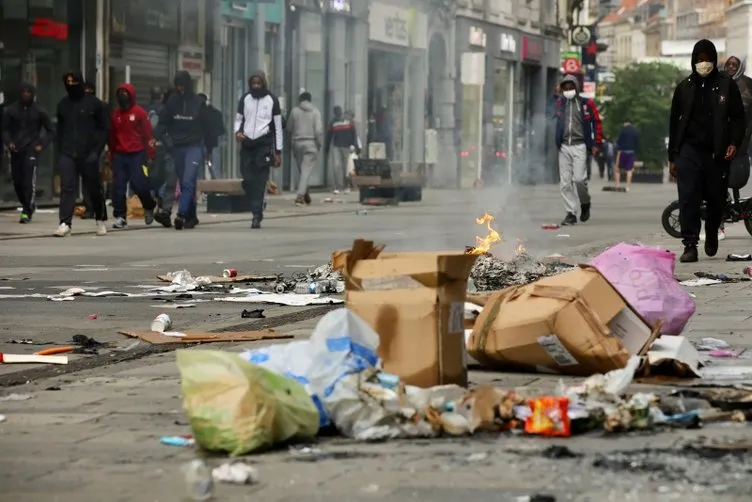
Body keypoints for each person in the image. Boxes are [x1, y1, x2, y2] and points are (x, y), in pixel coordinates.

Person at [668, 39, 746, 263]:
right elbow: (674, 123)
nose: (703, 64)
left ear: (714, 60)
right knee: (688, 198)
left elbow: (738, 118)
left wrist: (734, 142)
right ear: (693, 61)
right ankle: (690, 244)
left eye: (707, 60)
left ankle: (712, 231)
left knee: (716, 199)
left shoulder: (725, 85)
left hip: (717, 152)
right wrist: (672, 156)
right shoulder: (685, 87)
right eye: (699, 60)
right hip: (688, 150)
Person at [53, 72, 109, 237]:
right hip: (68, 152)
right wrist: (60, 151)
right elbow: (60, 130)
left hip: (89, 153)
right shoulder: (63, 105)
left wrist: (96, 151)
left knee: (93, 188)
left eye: (74, 81)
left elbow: (104, 129)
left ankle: (100, 218)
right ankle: (65, 222)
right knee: (67, 187)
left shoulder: (94, 104)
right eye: (67, 81)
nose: (71, 84)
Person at [154, 71, 208, 230]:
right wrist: (164, 140)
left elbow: (207, 126)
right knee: (184, 185)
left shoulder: (198, 102)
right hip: (176, 147)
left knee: (188, 180)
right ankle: (191, 216)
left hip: (194, 146)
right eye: (178, 86)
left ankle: (182, 214)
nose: (181, 89)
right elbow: (162, 124)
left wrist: (208, 147)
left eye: (183, 85)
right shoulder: (172, 102)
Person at [234, 70, 283, 229]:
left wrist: (278, 151)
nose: (256, 86)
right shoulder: (245, 99)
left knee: (260, 181)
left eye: (258, 83)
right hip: (247, 144)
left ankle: (256, 215)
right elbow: (239, 119)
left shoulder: (272, 100)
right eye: (253, 83)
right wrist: (238, 132)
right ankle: (257, 204)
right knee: (247, 179)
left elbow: (277, 127)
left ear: (263, 83)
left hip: (264, 144)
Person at [1, 82, 55, 223]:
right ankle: (27, 204)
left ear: (33, 94)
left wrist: (41, 145)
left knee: (27, 179)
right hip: (16, 149)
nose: (26, 94)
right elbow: (4, 129)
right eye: (23, 91)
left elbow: (51, 130)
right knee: (17, 181)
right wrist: (9, 142)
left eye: (28, 91)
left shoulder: (39, 111)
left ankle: (26, 210)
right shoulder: (10, 110)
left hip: (31, 149)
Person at [553, 74, 602, 226]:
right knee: (565, 184)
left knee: (579, 179)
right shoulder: (560, 103)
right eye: (565, 88)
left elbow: (597, 123)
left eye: (571, 87)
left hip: (580, 145)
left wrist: (596, 144)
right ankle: (570, 213)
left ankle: (585, 203)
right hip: (564, 147)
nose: (568, 90)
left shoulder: (587, 104)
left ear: (576, 88)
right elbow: (548, 111)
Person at [108, 83, 158, 229]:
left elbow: (148, 135)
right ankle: (120, 216)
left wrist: (151, 155)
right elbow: (112, 137)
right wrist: (111, 155)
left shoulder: (140, 113)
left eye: (125, 93)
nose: (122, 97)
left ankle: (149, 205)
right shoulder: (116, 115)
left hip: (137, 154)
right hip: (120, 155)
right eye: (120, 94)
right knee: (118, 187)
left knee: (139, 184)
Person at [286, 91, 323, 206]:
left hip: (297, 143)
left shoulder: (294, 111)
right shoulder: (315, 111)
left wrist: (289, 142)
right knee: (305, 171)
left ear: (300, 100)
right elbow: (318, 130)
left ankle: (306, 194)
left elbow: (289, 128)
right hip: (311, 143)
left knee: (302, 171)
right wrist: (319, 143)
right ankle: (300, 196)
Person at [326, 105, 361, 194]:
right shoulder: (334, 122)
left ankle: (344, 186)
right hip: (340, 146)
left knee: (344, 167)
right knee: (340, 166)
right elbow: (329, 136)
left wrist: (355, 145)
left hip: (344, 146)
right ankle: (340, 186)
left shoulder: (347, 121)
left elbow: (354, 134)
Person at [197, 92, 224, 179]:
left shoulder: (197, 114)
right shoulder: (215, 113)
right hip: (214, 144)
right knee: (213, 167)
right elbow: (221, 130)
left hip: (201, 144)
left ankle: (202, 188)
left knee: (200, 169)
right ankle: (218, 187)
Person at [614, 118, 639, 191]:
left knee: (617, 169)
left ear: (624, 123)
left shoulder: (622, 130)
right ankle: (627, 186)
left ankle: (618, 185)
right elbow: (637, 142)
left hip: (622, 152)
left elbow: (618, 142)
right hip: (631, 152)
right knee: (629, 170)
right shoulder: (635, 131)